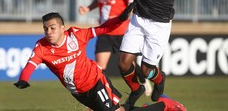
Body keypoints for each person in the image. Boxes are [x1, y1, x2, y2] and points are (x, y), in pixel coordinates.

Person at [13, 6, 179, 111]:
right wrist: (23, 79)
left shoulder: (76, 35)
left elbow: (102, 28)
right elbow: (30, 64)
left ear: (62, 28)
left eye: (52, 28)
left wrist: (120, 19)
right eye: (45, 29)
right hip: (78, 93)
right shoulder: (41, 46)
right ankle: (159, 106)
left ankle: (165, 106)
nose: (48, 32)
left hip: (95, 82)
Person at [78, 0, 152, 97]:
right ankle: (103, 93)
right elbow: (99, 0)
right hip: (104, 31)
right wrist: (88, 8)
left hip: (121, 32)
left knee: (128, 64)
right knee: (100, 66)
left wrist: (131, 15)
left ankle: (142, 81)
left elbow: (133, 1)